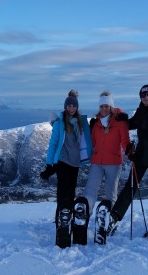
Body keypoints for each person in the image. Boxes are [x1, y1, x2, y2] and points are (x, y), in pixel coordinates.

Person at [108, 84, 148, 238]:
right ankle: (114, 218)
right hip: (142, 156)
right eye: (143, 96)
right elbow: (132, 124)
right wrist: (123, 119)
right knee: (130, 186)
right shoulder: (141, 112)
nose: (146, 98)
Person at [41, 90, 92, 247]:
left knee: (70, 192)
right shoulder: (60, 123)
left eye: (73, 106)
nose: (71, 108)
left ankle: (67, 220)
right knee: (62, 192)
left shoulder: (81, 122)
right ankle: (60, 224)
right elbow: (53, 143)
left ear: (76, 107)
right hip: (63, 162)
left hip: (76, 163)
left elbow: (88, 139)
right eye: (68, 106)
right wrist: (50, 164)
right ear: (65, 107)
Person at [85, 91, 129, 244]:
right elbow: (92, 143)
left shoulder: (120, 122)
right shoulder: (96, 123)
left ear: (111, 106)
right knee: (90, 190)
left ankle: (109, 221)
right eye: (101, 106)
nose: (104, 109)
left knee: (110, 193)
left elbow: (125, 142)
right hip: (97, 161)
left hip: (114, 162)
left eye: (106, 106)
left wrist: (130, 152)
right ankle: (84, 216)